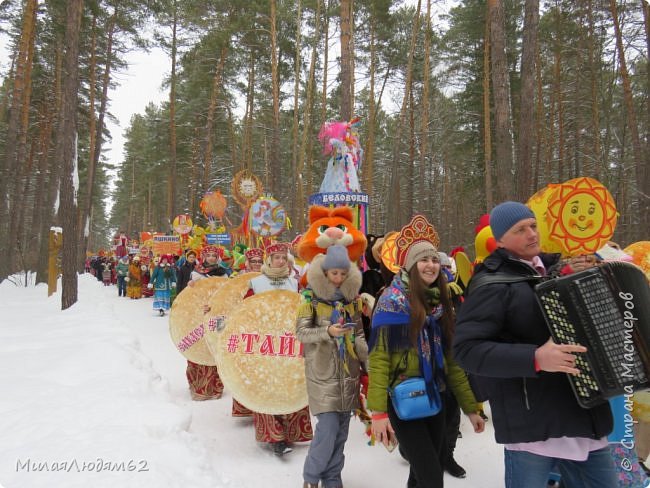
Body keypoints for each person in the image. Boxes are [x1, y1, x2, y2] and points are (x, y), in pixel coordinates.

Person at [453, 201, 616, 488]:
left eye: (532, 226)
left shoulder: (558, 270)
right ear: (500, 239)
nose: (531, 234)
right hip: (533, 426)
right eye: (520, 229)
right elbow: (467, 350)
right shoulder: (491, 283)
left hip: (585, 414)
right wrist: (536, 358)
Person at [368, 215, 484, 488]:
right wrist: (378, 414)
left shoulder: (440, 304)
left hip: (437, 396)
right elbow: (379, 359)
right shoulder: (391, 302)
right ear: (410, 265)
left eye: (434, 259)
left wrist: (470, 407)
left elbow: (453, 362)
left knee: (421, 474)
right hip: (404, 398)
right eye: (423, 259)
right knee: (432, 477)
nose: (431, 265)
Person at [296, 244, 368, 488]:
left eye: (343, 274)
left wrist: (367, 364)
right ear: (325, 272)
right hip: (322, 373)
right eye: (334, 273)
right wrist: (328, 331)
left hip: (348, 375)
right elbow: (302, 333)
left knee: (341, 434)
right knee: (327, 430)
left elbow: (359, 336)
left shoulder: (352, 302)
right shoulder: (311, 300)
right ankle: (311, 477)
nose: (338, 279)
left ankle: (332, 478)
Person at [244, 242, 313, 456]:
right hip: (264, 344)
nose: (281, 261)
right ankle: (274, 437)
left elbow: (303, 309)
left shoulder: (294, 283)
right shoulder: (255, 283)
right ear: (269, 260)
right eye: (277, 257)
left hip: (290, 342)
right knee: (267, 387)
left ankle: (292, 431)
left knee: (290, 384)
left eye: (284, 257)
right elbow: (245, 312)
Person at [185, 245, 229, 401]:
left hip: (218, 316)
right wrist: (190, 287)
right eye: (208, 255)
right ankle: (199, 386)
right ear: (203, 257)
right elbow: (190, 297)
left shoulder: (224, 274)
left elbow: (226, 294)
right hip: (200, 316)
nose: (211, 258)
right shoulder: (196, 274)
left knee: (215, 349)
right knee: (200, 348)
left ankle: (216, 387)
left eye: (213, 255)